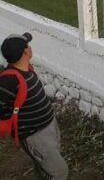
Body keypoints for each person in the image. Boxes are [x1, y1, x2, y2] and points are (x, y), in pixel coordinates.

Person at [0, 33, 68, 179]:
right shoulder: (9, 81)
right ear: (25, 52)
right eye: (28, 45)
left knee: (45, 168)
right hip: (35, 136)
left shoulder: (26, 71)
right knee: (60, 173)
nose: (30, 47)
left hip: (47, 129)